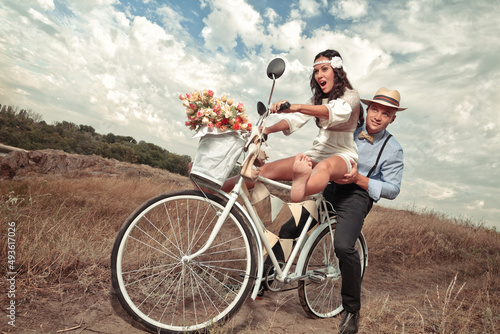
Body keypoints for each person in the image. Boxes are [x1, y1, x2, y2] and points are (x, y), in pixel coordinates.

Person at [265, 87, 406, 334]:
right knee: (290, 228)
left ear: (392, 118)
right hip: (329, 188)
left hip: (357, 197)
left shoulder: (393, 149)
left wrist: (360, 179)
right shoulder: (350, 128)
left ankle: (351, 310)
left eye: (386, 113)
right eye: (375, 109)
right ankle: (263, 281)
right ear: (368, 109)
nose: (377, 116)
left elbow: (393, 189)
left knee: (343, 246)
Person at [222, 49, 362, 193]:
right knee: (265, 171)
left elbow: (332, 111)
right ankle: (211, 190)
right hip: (318, 152)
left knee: (324, 167)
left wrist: (296, 107)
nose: (319, 75)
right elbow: (294, 120)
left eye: (324, 69)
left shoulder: (352, 96)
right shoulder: (316, 100)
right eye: (316, 71)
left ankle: (300, 190)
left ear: (336, 72)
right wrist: (268, 130)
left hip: (343, 155)